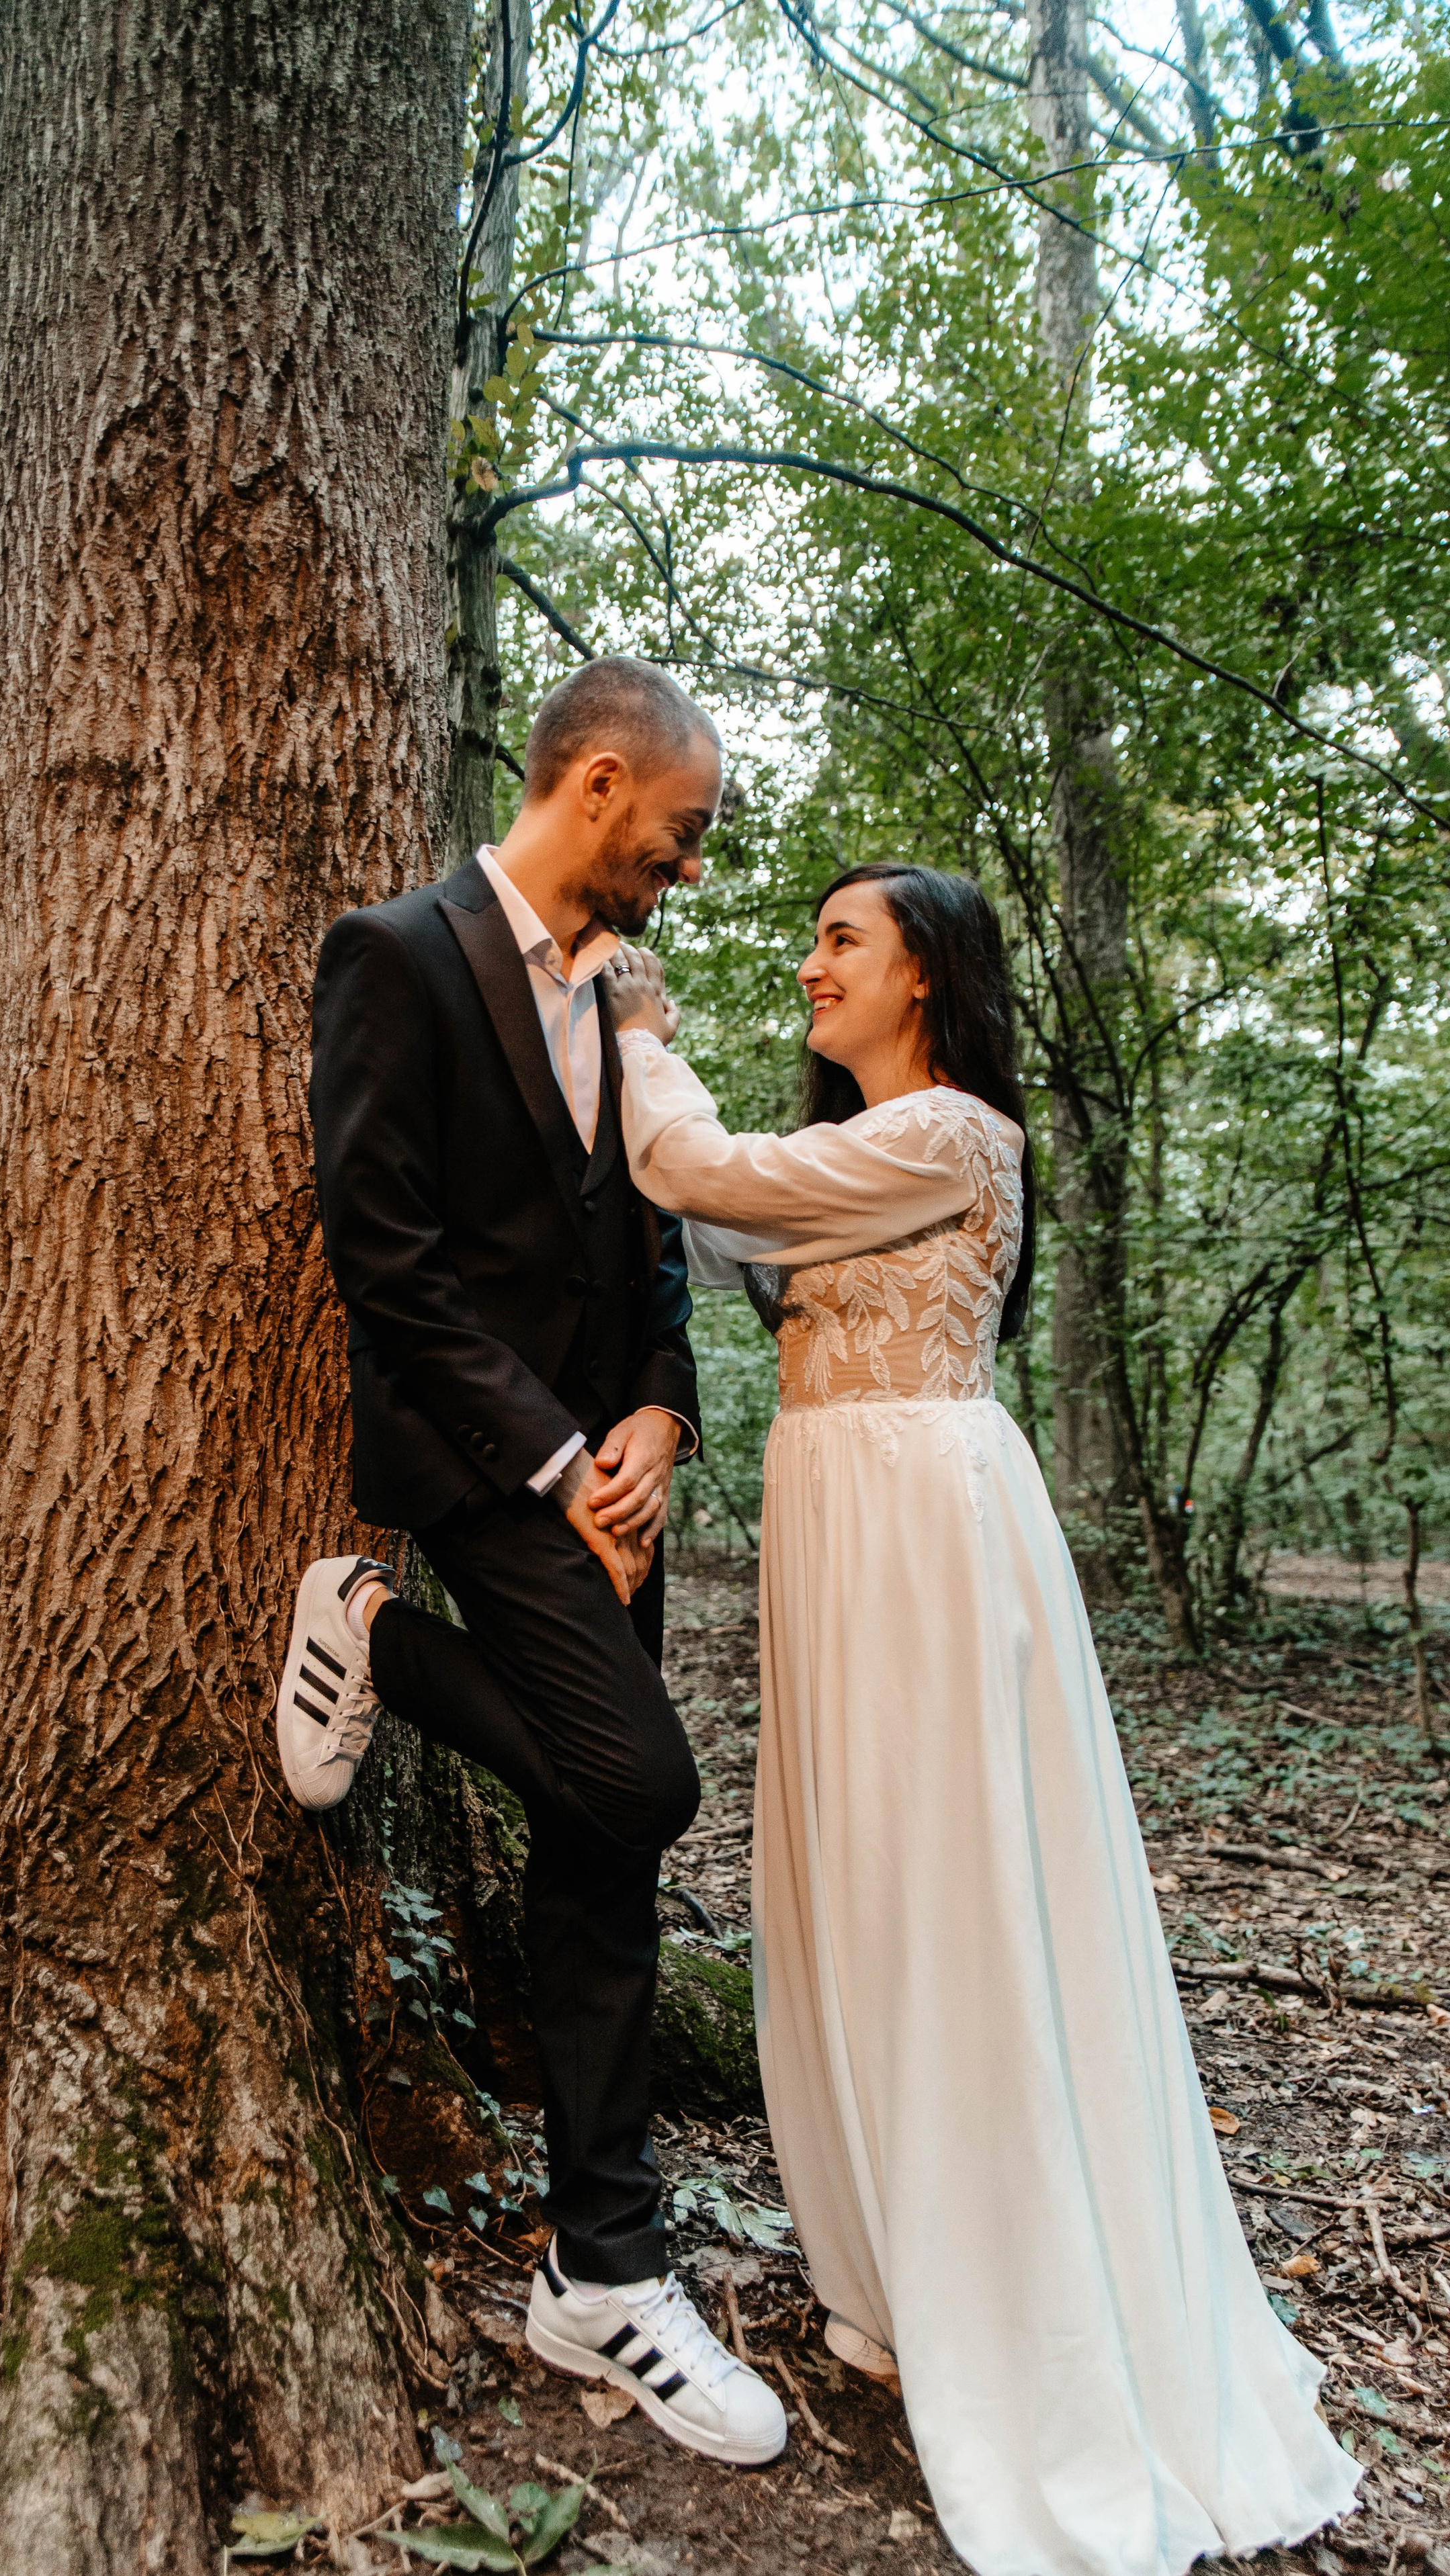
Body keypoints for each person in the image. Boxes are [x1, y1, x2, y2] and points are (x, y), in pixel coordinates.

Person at [603, 864, 1361, 2576]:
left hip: (925, 1532)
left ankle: (1009, 2297)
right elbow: (720, 1220)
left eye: (838, 943)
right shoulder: (860, 1159)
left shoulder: (958, 1136)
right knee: (852, 1892)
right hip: (834, 1518)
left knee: (948, 1895)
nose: (811, 967)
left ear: (927, 978)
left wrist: (639, 1030)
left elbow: (695, 1170)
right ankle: (884, 2264)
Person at [288, 657, 786, 2467]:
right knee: (643, 1782)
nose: (692, 865)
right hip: (487, 1474)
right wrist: (560, 1455)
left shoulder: (631, 997)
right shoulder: (396, 954)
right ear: (594, 781)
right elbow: (386, 1250)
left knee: (598, 1859)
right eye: (685, 828)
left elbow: (652, 1251)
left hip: (614, 1487)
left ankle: (604, 2261)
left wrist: (658, 1415)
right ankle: (374, 1628)